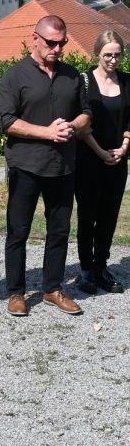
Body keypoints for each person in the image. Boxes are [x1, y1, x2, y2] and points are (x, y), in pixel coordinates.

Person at [0, 15, 90, 317]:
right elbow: (6, 121)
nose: (57, 48)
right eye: (51, 42)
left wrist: (72, 126)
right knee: (18, 231)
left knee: (60, 231)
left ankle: (53, 288)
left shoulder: (72, 75)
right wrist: (47, 132)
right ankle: (16, 292)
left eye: (62, 43)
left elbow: (86, 113)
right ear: (35, 38)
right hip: (25, 166)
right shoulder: (14, 76)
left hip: (63, 166)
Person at [75, 30, 128, 295]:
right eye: (108, 55)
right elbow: (81, 126)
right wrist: (100, 152)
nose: (113, 60)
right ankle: (86, 269)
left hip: (118, 160)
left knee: (108, 217)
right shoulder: (83, 81)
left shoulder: (127, 81)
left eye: (118, 55)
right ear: (97, 53)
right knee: (88, 216)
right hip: (88, 160)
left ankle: (101, 267)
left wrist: (124, 148)